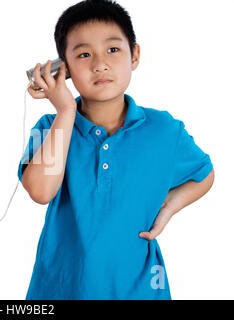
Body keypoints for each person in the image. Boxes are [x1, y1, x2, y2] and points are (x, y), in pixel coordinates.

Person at [19, 0, 214, 299]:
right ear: (65, 68)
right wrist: (66, 110)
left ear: (134, 55)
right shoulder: (50, 126)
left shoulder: (163, 129)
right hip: (61, 287)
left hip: (140, 287)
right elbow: (40, 191)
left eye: (112, 49)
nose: (100, 64)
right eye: (83, 54)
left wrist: (169, 208)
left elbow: (204, 173)